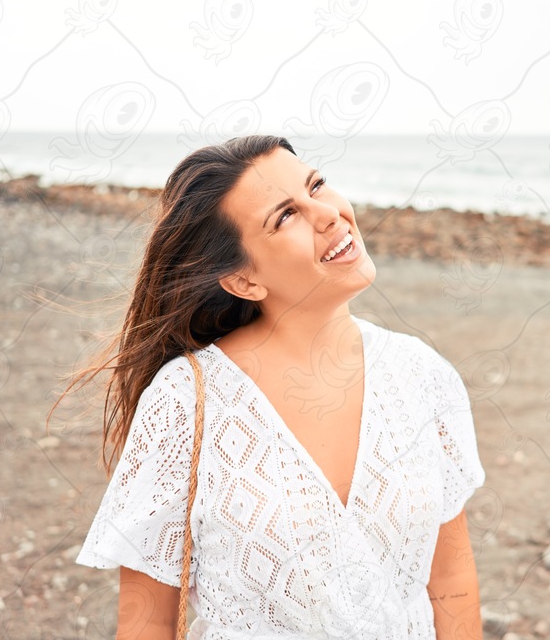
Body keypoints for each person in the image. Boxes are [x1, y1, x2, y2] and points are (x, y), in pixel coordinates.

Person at [54, 135, 486, 639]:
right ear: (243, 280)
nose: (328, 215)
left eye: (317, 186)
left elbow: (450, 580)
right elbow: (147, 619)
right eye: (285, 216)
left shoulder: (421, 374)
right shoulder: (186, 401)